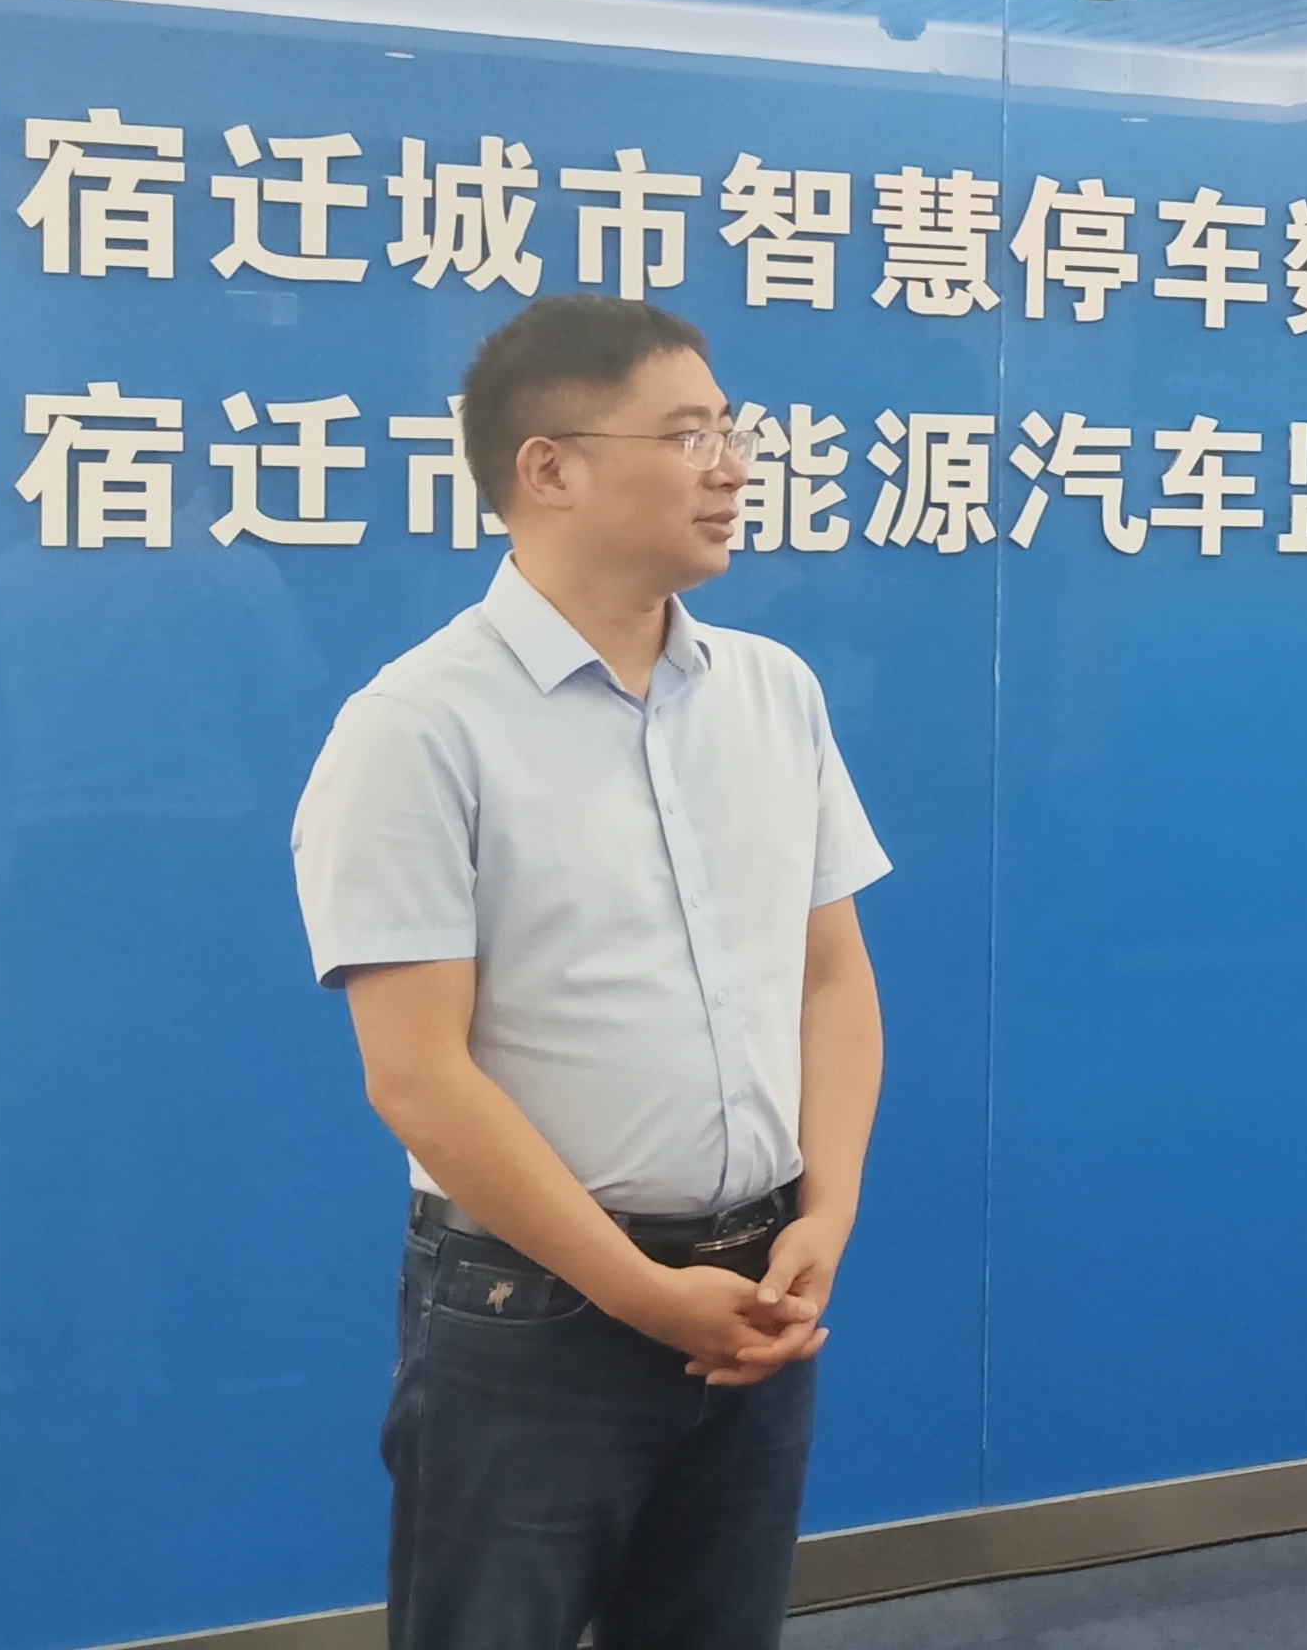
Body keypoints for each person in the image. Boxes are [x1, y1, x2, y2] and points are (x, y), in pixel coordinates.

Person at [293, 295, 890, 1650]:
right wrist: (642, 1293)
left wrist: (827, 1213)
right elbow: (418, 1077)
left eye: (731, 430)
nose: (733, 466)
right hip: (532, 1314)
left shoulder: (775, 692)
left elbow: (831, 979)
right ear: (547, 468)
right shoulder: (417, 728)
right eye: (688, 436)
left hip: (758, 1288)